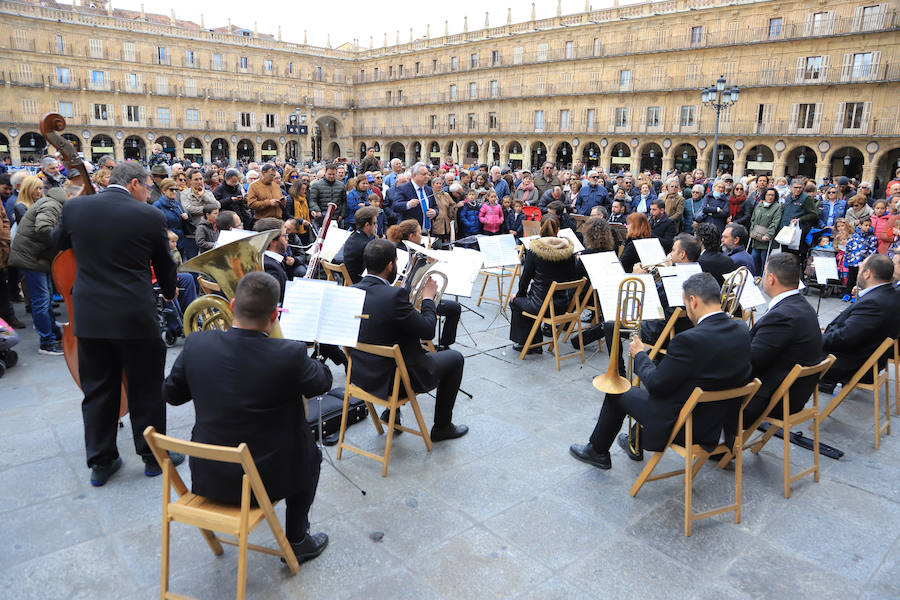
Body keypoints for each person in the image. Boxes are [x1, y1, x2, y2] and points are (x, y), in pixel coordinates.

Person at [164, 271, 331, 562]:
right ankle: (296, 540)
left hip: (207, 476)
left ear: (231, 306)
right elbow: (323, 383)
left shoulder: (197, 345)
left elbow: (173, 395)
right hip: (264, 484)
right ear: (275, 316)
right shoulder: (288, 353)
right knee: (311, 453)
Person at [53, 162, 180, 486]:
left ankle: (101, 462)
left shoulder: (75, 207)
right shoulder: (149, 216)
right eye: (148, 187)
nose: (149, 193)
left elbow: (55, 245)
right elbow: (164, 263)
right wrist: (168, 292)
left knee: (97, 389)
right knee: (147, 388)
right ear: (134, 183)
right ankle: (153, 458)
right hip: (133, 316)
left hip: (90, 316)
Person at [569, 273, 752, 469]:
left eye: (685, 303)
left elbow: (656, 385)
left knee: (618, 393)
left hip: (688, 427)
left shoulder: (689, 340)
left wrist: (640, 355)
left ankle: (597, 451)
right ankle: (632, 439)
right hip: (721, 424)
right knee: (661, 380)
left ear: (693, 301)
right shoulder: (741, 328)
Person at [351, 239, 468, 441]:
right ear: (390, 265)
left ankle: (391, 412)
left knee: (392, 342)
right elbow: (428, 331)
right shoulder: (394, 296)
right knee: (455, 358)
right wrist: (429, 299)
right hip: (393, 381)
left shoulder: (352, 290)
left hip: (361, 375)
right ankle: (442, 427)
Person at [741, 253, 824, 424]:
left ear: (771, 278)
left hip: (773, 398)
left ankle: (720, 447)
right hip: (792, 391)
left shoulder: (782, 316)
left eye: (764, 273)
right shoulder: (801, 305)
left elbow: (751, 361)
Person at [820, 254, 900, 394]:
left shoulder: (875, 302)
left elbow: (844, 338)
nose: (858, 272)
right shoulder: (888, 294)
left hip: (848, 364)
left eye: (861, 268)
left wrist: (814, 338)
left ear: (868, 274)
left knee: (788, 349)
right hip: (863, 357)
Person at [8, 187, 68, 354]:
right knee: (41, 301)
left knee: (44, 299)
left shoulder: (51, 202)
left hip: (36, 258)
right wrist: (62, 242)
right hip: (31, 259)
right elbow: (43, 228)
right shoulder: (52, 205)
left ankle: (53, 335)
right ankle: (46, 343)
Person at [388, 219, 462, 350]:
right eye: (419, 233)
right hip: (413, 302)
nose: (421, 236)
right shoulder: (411, 254)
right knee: (455, 308)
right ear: (411, 236)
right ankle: (444, 345)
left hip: (405, 299)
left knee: (452, 307)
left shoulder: (399, 249)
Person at [509, 219, 579, 352]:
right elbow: (573, 278)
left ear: (540, 228)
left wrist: (519, 296)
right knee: (526, 301)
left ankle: (529, 344)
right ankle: (534, 340)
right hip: (562, 305)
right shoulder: (568, 251)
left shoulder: (535, 250)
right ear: (558, 229)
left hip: (540, 305)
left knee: (516, 302)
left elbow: (524, 280)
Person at [180, 168, 219, 260]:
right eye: (196, 179)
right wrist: (208, 210)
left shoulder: (208, 193)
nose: (199, 181)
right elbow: (188, 209)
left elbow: (217, 205)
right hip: (193, 231)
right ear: (190, 181)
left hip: (210, 231)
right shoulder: (184, 194)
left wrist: (204, 196)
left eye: (201, 179)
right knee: (194, 261)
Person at [253, 217, 291, 304]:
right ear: (272, 241)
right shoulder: (269, 267)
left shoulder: (270, 261)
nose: (287, 239)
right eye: (285, 235)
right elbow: (273, 303)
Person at [393, 162, 438, 231]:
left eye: (427, 174)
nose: (427, 176)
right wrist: (408, 204)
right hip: (410, 232)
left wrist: (435, 212)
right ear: (414, 175)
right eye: (424, 174)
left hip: (427, 232)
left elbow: (435, 206)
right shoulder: (403, 189)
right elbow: (395, 206)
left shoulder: (428, 190)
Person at [748, 187, 783, 275]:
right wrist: (751, 231)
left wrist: (769, 234)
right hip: (756, 236)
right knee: (754, 257)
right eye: (768, 195)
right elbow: (753, 219)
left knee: (764, 258)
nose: (770, 197)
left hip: (766, 238)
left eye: (772, 195)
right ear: (764, 195)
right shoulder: (759, 205)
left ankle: (763, 276)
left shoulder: (777, 207)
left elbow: (775, 222)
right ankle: (754, 275)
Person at [842, 217, 878, 300]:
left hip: (863, 263)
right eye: (866, 225)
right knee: (851, 278)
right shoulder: (854, 236)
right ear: (860, 225)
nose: (868, 227)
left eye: (869, 225)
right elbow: (849, 247)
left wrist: (869, 262)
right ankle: (847, 293)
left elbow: (873, 250)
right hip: (853, 261)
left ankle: (857, 295)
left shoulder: (872, 238)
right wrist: (847, 258)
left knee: (860, 279)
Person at [342, 206, 378, 284]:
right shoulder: (367, 244)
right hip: (359, 284)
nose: (376, 226)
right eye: (374, 223)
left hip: (350, 281)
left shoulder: (352, 237)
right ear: (367, 225)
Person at [429, 176, 457, 242]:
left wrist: (451, 212)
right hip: (435, 223)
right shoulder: (430, 195)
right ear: (433, 185)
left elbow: (453, 205)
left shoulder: (446, 195)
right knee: (436, 242)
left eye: (440, 183)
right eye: (437, 183)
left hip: (446, 222)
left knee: (446, 242)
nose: (439, 185)